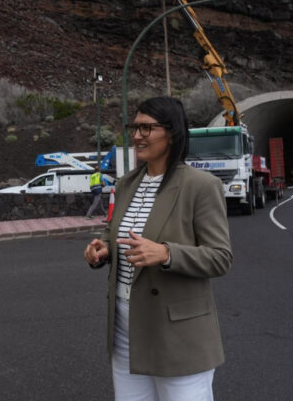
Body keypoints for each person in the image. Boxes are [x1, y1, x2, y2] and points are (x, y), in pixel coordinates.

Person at [83, 96, 232, 401]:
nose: (137, 136)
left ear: (172, 132)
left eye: (147, 128)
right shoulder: (126, 184)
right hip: (125, 329)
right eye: (134, 128)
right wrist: (105, 249)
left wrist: (166, 254)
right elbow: (115, 233)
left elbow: (220, 257)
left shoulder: (201, 186)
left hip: (179, 335)